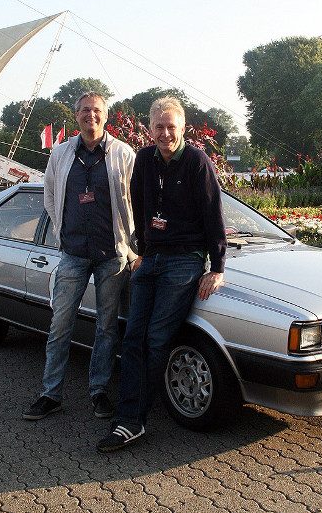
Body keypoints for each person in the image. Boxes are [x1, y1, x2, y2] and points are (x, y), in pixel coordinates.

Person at [97, 96, 226, 451]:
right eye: (159, 126)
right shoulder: (144, 160)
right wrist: (142, 247)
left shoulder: (197, 162)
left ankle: (132, 420)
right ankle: (129, 415)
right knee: (133, 337)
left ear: (182, 128)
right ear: (150, 128)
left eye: (172, 126)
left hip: (184, 261)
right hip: (151, 259)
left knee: (156, 339)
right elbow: (138, 205)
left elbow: (214, 215)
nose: (165, 133)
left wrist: (216, 267)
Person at [23, 92, 135, 421]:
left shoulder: (122, 153)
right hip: (72, 253)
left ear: (105, 116)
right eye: (85, 110)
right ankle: (50, 394)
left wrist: (129, 244)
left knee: (107, 328)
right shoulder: (60, 154)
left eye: (97, 110)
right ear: (77, 116)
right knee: (60, 325)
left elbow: (133, 199)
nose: (91, 115)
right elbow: (50, 195)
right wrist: (62, 229)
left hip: (111, 256)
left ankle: (99, 391)